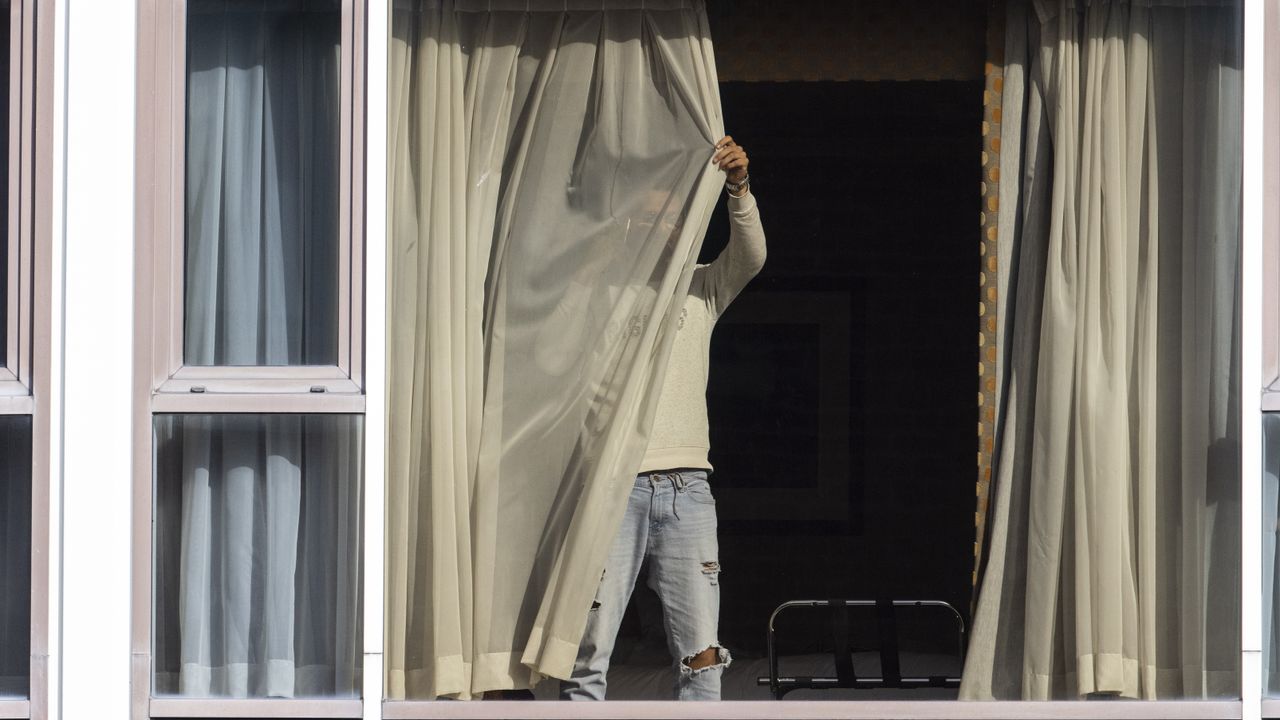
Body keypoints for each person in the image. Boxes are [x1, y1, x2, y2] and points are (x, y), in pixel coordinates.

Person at [560, 135, 765, 701]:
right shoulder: (600, 292)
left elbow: (751, 257)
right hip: (613, 486)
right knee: (588, 654)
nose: (661, 229)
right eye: (648, 218)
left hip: (688, 488)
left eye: (670, 218)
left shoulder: (702, 286)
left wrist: (738, 187)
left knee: (703, 658)